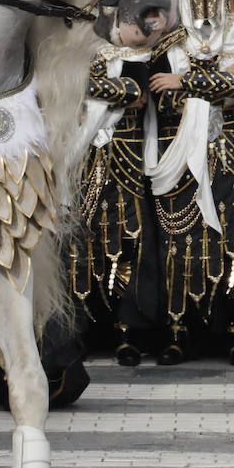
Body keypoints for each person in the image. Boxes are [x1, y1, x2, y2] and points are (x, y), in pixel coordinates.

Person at [145, 0, 234, 365]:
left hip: (227, 155)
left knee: (232, 240)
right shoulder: (167, 39)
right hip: (178, 157)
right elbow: (162, 96)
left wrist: (185, 81)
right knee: (179, 242)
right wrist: (219, 80)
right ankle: (176, 330)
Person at [70, 43, 161, 366]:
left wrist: (87, 92)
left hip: (125, 163)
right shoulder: (71, 47)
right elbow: (59, 87)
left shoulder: (135, 51)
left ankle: (127, 333)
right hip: (79, 157)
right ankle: (75, 333)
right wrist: (114, 91)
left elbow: (139, 95)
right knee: (77, 247)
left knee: (130, 243)